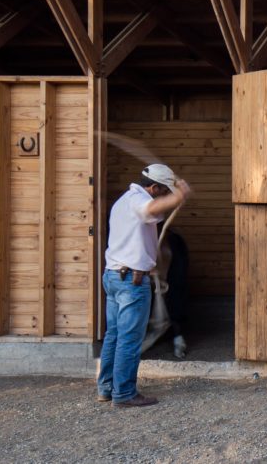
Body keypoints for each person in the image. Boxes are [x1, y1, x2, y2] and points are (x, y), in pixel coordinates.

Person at [96, 164, 193, 407]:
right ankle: (124, 393)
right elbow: (152, 207)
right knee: (129, 339)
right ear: (155, 187)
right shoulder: (138, 201)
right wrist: (179, 196)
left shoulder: (123, 200)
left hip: (114, 276)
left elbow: (153, 210)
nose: (165, 196)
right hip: (131, 281)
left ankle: (107, 387)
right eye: (164, 191)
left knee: (113, 336)